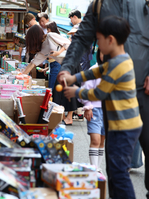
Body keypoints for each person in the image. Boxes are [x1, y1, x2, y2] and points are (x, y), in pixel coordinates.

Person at [57, 1, 149, 198]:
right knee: (115, 169)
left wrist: (76, 92)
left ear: (110, 40)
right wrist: (71, 73)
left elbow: (100, 93)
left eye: (98, 40)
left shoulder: (118, 65)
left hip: (138, 102)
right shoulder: (98, 6)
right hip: (117, 115)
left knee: (118, 170)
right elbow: (92, 59)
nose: (96, 45)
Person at [78, 61, 105, 172]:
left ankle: (98, 168)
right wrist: (88, 106)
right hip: (95, 110)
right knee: (95, 140)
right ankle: (94, 168)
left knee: (102, 141)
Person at [39, 21, 62, 89]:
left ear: (52, 28)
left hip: (56, 64)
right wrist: (46, 68)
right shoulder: (50, 37)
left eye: (48, 29)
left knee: (51, 87)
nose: (47, 31)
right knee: (51, 87)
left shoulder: (57, 38)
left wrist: (58, 53)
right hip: (53, 65)